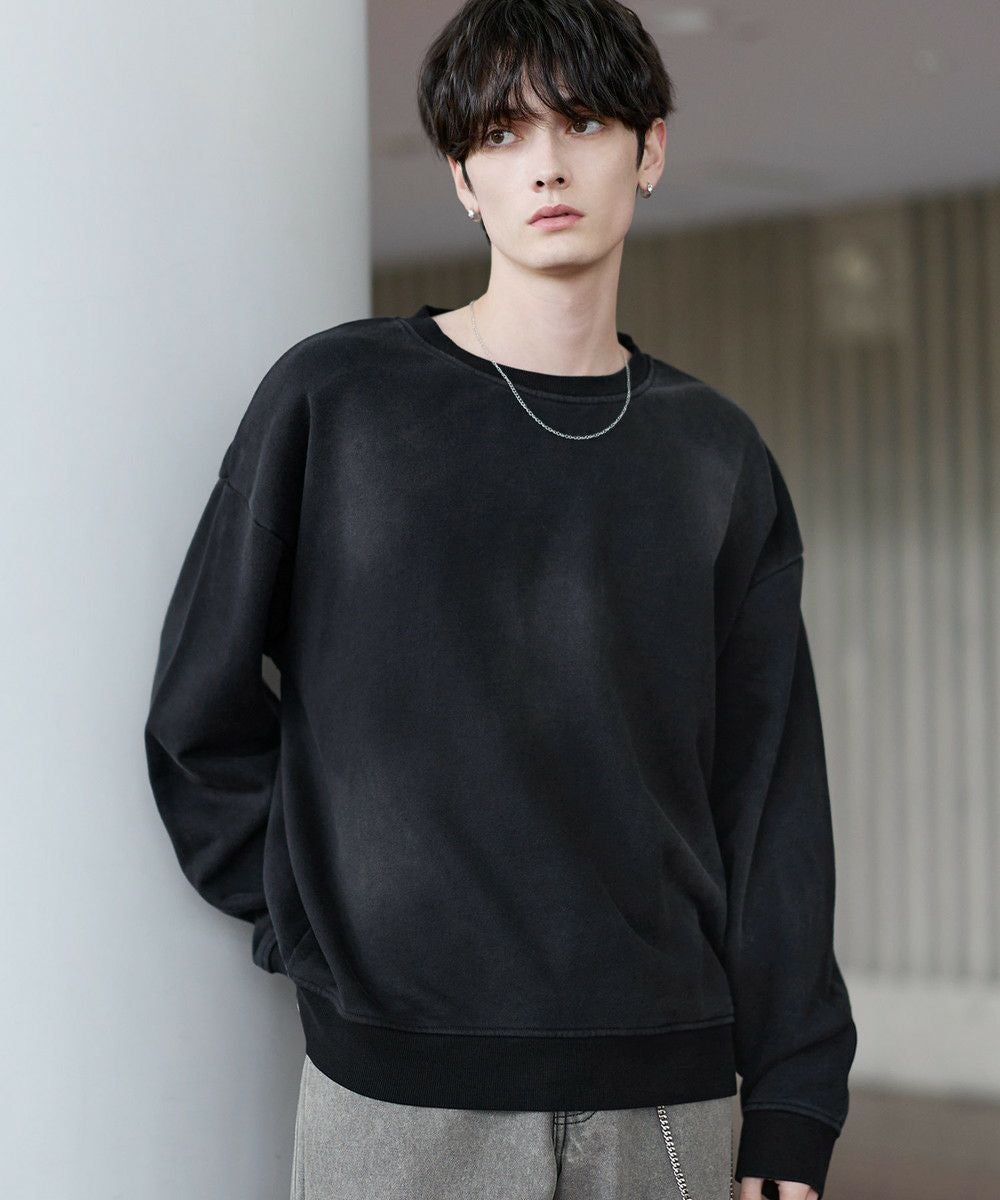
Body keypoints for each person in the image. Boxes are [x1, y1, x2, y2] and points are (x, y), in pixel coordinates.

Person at [143, 1, 857, 1197]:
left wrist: (792, 1097)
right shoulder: (338, 402)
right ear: (462, 178)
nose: (545, 165)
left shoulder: (715, 455)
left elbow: (770, 794)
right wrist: (322, 925)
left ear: (650, 148)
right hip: (398, 1095)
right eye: (501, 133)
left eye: (581, 122)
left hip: (662, 1089)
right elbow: (196, 719)